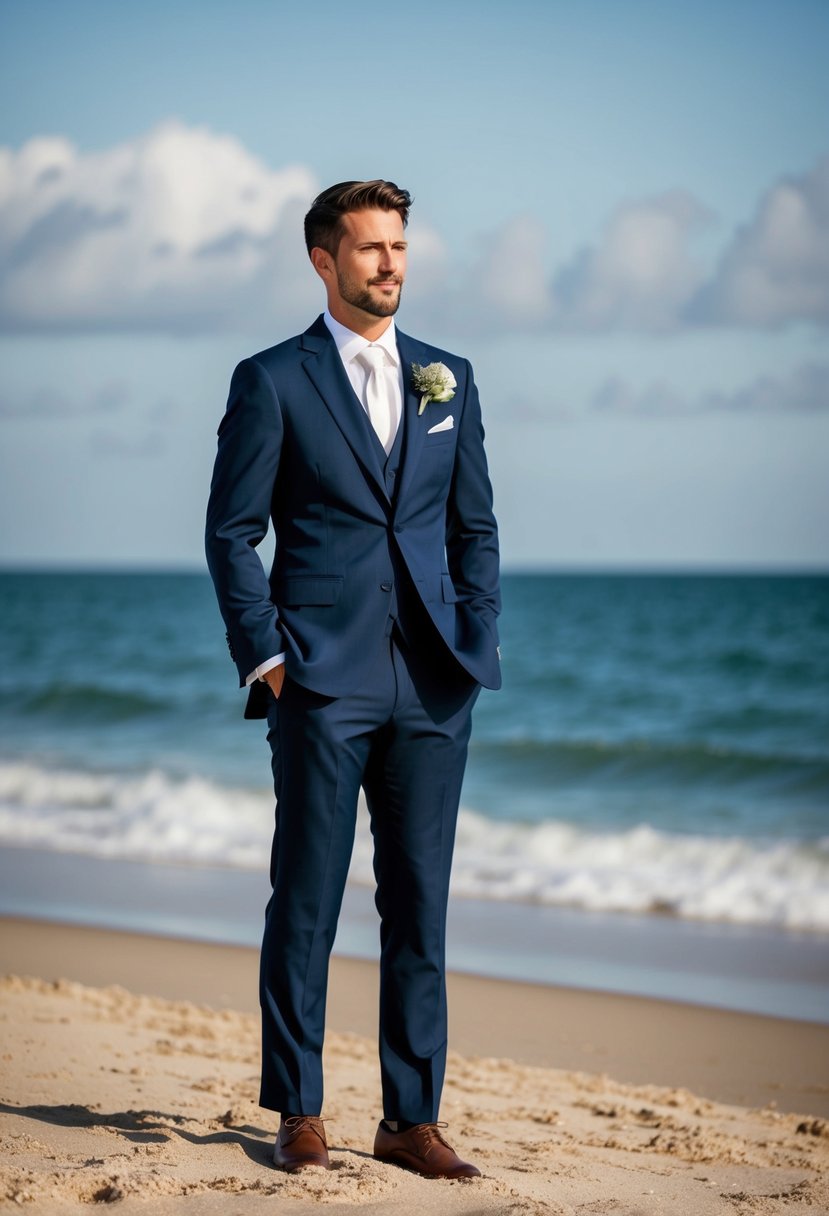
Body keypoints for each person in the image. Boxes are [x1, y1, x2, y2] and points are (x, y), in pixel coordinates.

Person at [205, 179, 501, 1179]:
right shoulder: (272, 380)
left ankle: (409, 1118)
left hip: (431, 683)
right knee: (308, 898)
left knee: (419, 903)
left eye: (400, 246)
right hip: (321, 683)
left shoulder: (448, 378)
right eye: (370, 247)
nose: (391, 264)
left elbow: (474, 529)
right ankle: (298, 1108)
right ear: (323, 261)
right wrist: (272, 657)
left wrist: (473, 637)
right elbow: (231, 533)